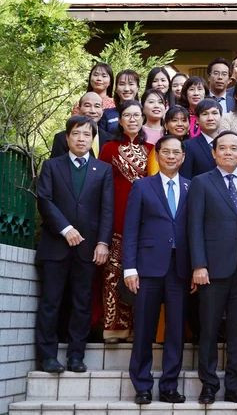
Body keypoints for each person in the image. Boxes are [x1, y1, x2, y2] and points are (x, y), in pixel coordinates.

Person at [35, 115, 113, 374]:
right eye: (76, 134)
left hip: (88, 248)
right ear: (67, 137)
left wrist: (103, 242)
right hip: (55, 246)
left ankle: (76, 357)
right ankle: (47, 356)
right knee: (51, 302)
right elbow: (45, 201)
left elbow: (107, 210)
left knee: (82, 302)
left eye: (86, 135)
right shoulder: (51, 166)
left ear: (93, 139)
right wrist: (65, 228)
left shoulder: (103, 169)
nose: (81, 139)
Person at [122, 135, 191, 405]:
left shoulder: (191, 187)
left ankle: (169, 386)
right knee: (144, 330)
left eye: (176, 152)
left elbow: (195, 230)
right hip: (148, 268)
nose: (171, 156)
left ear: (183, 157)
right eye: (166, 152)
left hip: (180, 270)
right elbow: (131, 229)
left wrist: (198, 266)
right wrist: (129, 268)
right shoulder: (142, 186)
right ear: (157, 155)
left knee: (176, 331)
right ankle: (142, 385)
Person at [189, 131, 237, 405]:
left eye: (234, 149)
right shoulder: (201, 183)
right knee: (209, 329)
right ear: (214, 153)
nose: (228, 153)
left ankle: (235, 385)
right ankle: (208, 384)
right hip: (212, 269)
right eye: (223, 148)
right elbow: (194, 226)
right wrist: (199, 264)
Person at [98, 100, 153, 342]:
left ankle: (137, 327)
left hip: (144, 221)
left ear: (143, 120)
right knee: (113, 274)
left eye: (137, 115)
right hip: (115, 217)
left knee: (141, 274)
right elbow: (100, 185)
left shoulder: (153, 150)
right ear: (119, 120)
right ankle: (114, 327)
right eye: (127, 115)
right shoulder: (109, 148)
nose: (132, 119)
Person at [52, 92, 110, 158]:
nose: (92, 111)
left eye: (97, 106)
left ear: (102, 112)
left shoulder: (110, 139)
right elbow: (56, 166)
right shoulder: (62, 138)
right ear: (79, 110)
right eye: (87, 106)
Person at [180, 99, 222, 179]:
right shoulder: (188, 146)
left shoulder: (230, 143)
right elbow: (186, 178)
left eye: (214, 113)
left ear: (221, 116)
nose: (210, 118)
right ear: (197, 119)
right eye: (205, 114)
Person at [101, 69, 139, 134]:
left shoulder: (144, 113)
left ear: (137, 88)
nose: (126, 89)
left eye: (131, 84)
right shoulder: (106, 114)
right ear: (116, 89)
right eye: (122, 84)